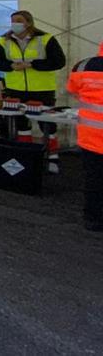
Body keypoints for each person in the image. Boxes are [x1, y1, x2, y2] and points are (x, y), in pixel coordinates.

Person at [0, 10, 67, 172]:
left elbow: (59, 61)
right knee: (21, 123)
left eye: (19, 20)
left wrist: (33, 64)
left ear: (29, 22)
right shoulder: (3, 41)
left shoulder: (46, 39)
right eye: (12, 21)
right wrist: (10, 66)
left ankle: (52, 157)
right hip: (15, 88)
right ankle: (25, 154)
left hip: (42, 89)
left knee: (47, 124)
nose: (15, 24)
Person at [67, 40, 103, 232]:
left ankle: (93, 219)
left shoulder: (84, 65)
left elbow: (73, 90)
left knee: (94, 180)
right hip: (92, 135)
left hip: (91, 136)